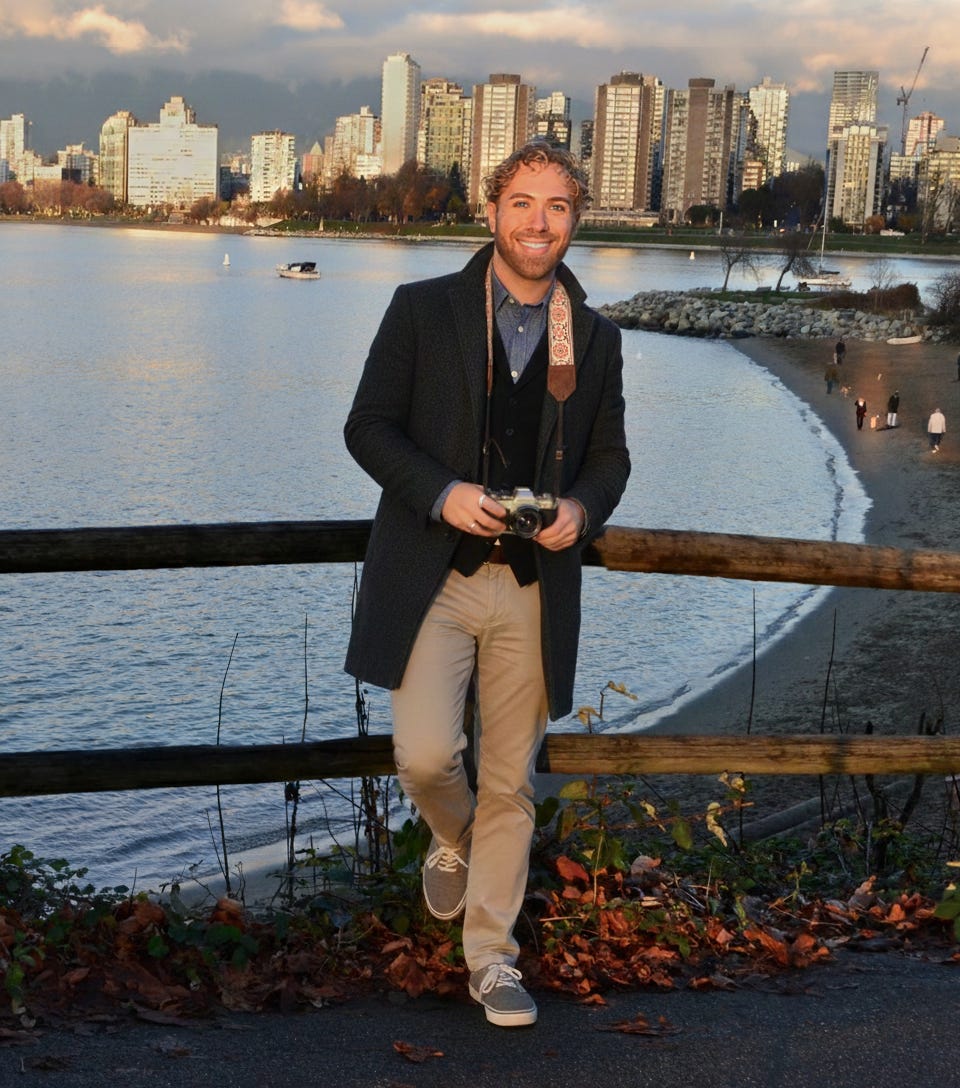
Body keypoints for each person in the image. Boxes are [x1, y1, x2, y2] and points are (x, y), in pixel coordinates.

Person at [343, 142, 631, 1028]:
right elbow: (367, 428)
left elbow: (610, 458)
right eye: (522, 203)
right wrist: (444, 493)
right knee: (428, 755)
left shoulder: (599, 334)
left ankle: (492, 958)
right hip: (434, 575)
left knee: (511, 780)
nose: (538, 222)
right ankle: (454, 836)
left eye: (557, 207)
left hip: (537, 585)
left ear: (575, 221)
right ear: (492, 211)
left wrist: (582, 510)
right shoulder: (421, 309)